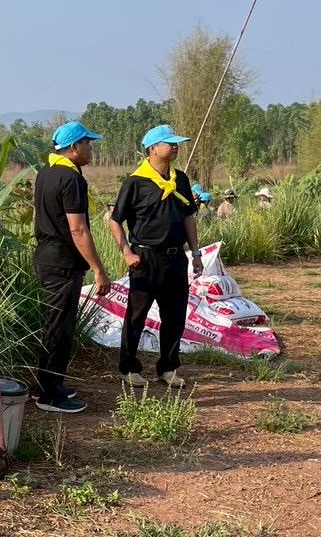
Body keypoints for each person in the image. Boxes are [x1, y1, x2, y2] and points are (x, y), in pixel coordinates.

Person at [107, 125, 204, 389]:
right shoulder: (135, 183)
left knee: (174, 315)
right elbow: (115, 220)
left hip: (175, 259)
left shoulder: (180, 180)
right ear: (153, 149)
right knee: (136, 316)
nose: (176, 147)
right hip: (145, 258)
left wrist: (195, 252)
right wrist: (126, 251)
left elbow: (188, 217)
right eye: (170, 143)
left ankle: (168, 367)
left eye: (177, 143)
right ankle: (129, 368)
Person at [31, 121, 112, 414]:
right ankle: (50, 396)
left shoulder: (45, 174)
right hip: (62, 262)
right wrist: (98, 269)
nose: (90, 149)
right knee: (58, 328)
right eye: (87, 143)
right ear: (74, 147)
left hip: (46, 256)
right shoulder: (71, 179)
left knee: (56, 324)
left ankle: (52, 384)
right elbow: (78, 230)